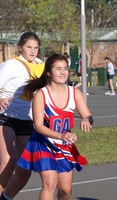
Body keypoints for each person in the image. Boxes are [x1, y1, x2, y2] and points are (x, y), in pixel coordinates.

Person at [16, 54, 93, 200]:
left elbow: (88, 115)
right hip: (42, 142)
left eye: (65, 68)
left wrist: (86, 120)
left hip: (64, 145)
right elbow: (38, 126)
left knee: (65, 190)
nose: (63, 72)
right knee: (50, 184)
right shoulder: (41, 94)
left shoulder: (74, 93)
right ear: (49, 73)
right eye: (58, 69)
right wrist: (60, 135)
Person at [0, 32, 45, 200]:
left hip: (26, 120)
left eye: (35, 48)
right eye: (29, 47)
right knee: (9, 161)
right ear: (20, 47)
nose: (32, 51)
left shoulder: (42, 66)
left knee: (25, 170)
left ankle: (6, 198)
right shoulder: (11, 65)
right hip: (5, 117)